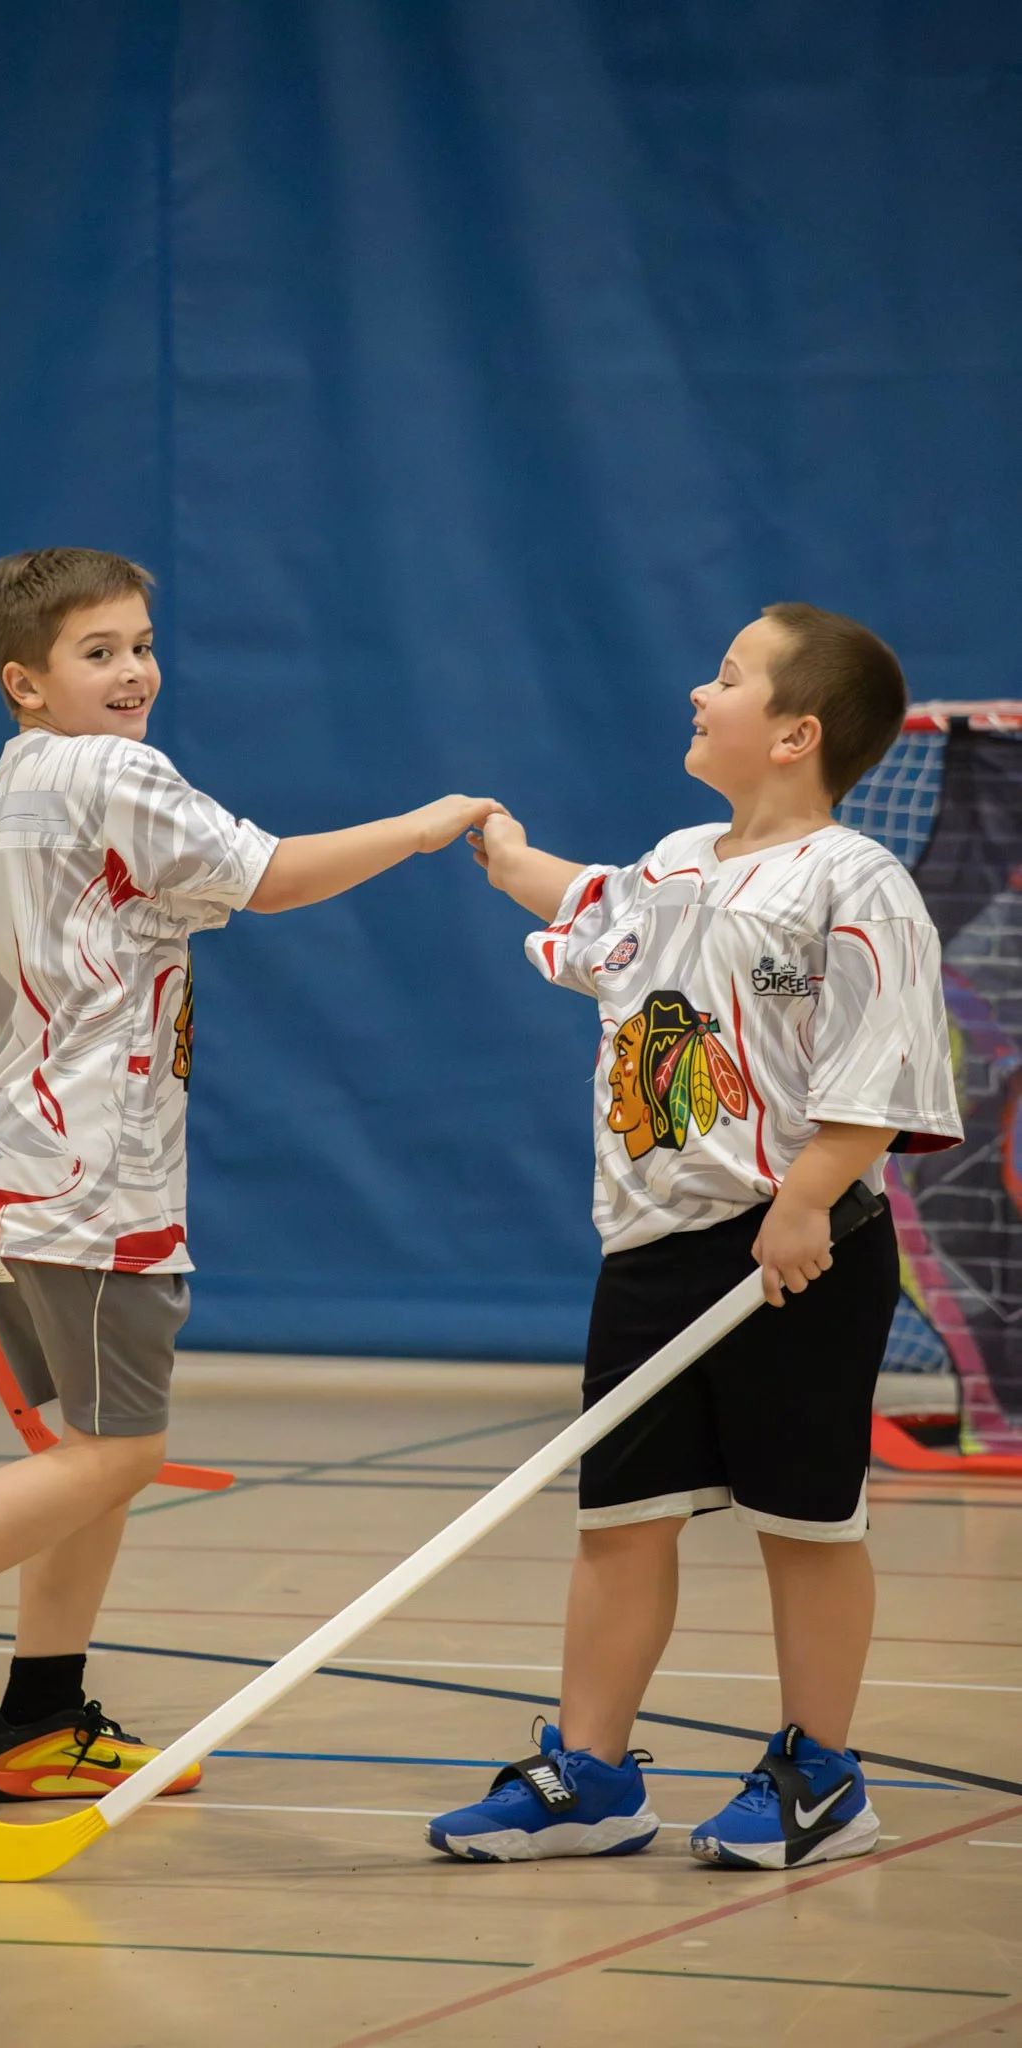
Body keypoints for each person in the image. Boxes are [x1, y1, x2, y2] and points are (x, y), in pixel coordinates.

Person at [0, 546, 501, 1802]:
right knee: (115, 1455)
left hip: (9, 1175)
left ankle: (38, 1717)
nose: (135, 671)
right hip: (96, 1178)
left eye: (144, 644)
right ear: (26, 680)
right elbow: (267, 876)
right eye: (98, 651)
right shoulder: (114, 771)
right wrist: (429, 828)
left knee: (85, 1448)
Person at [428, 602, 961, 1871]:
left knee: (808, 1521)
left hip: (799, 1251)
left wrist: (807, 1198)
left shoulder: (856, 882)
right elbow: (593, 904)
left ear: (794, 732)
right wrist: (500, 848)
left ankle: (823, 1775)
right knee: (620, 1517)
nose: (696, 692)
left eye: (726, 677)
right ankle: (591, 1774)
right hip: (655, 1251)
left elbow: (873, 1075)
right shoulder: (675, 860)